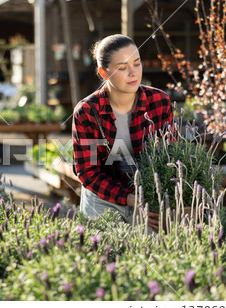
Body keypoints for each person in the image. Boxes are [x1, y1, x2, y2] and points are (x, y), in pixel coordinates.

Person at [72, 34, 173, 228]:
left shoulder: (159, 102)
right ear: (103, 73)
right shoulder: (87, 112)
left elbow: (170, 156)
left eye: (137, 63)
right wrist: (126, 197)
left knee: (150, 254)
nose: (133, 73)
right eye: (122, 67)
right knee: (102, 254)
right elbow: (87, 172)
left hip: (147, 198)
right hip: (102, 198)